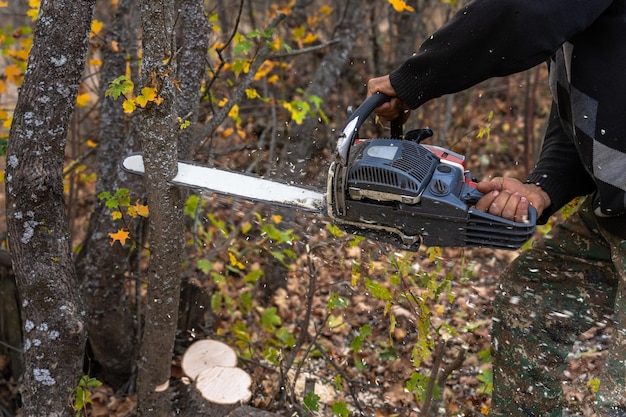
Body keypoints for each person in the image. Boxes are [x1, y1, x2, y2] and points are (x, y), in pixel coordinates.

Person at [367, 0, 626, 416]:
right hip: (615, 214)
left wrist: (411, 79)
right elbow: (588, 110)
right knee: (533, 299)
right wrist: (543, 188)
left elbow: (523, 13)